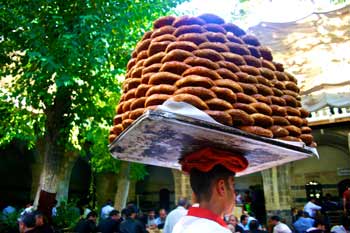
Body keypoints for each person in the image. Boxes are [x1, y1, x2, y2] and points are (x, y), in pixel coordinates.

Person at [172, 147, 249, 233]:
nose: (234, 194)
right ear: (222, 188)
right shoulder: (218, 231)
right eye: (232, 186)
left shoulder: (180, 225)